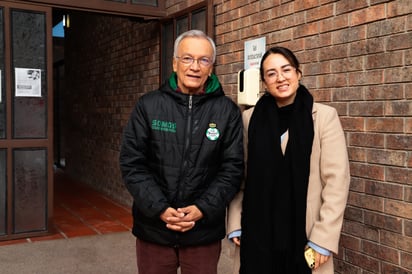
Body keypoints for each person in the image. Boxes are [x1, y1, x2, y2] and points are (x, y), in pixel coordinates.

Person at [119, 29, 244, 274]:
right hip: (154, 228)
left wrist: (202, 209)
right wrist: (160, 209)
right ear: (175, 63)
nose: (195, 66)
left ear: (211, 67)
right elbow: (132, 163)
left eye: (203, 60)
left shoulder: (226, 111)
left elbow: (232, 168)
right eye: (187, 58)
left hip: (203, 231)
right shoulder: (149, 106)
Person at [227, 46, 350, 274]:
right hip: (257, 232)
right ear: (264, 82)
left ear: (298, 74)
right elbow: (240, 176)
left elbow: (336, 182)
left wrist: (323, 238)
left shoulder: (324, 117)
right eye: (271, 73)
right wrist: (235, 223)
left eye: (286, 70)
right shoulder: (249, 119)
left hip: (307, 234)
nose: (280, 78)